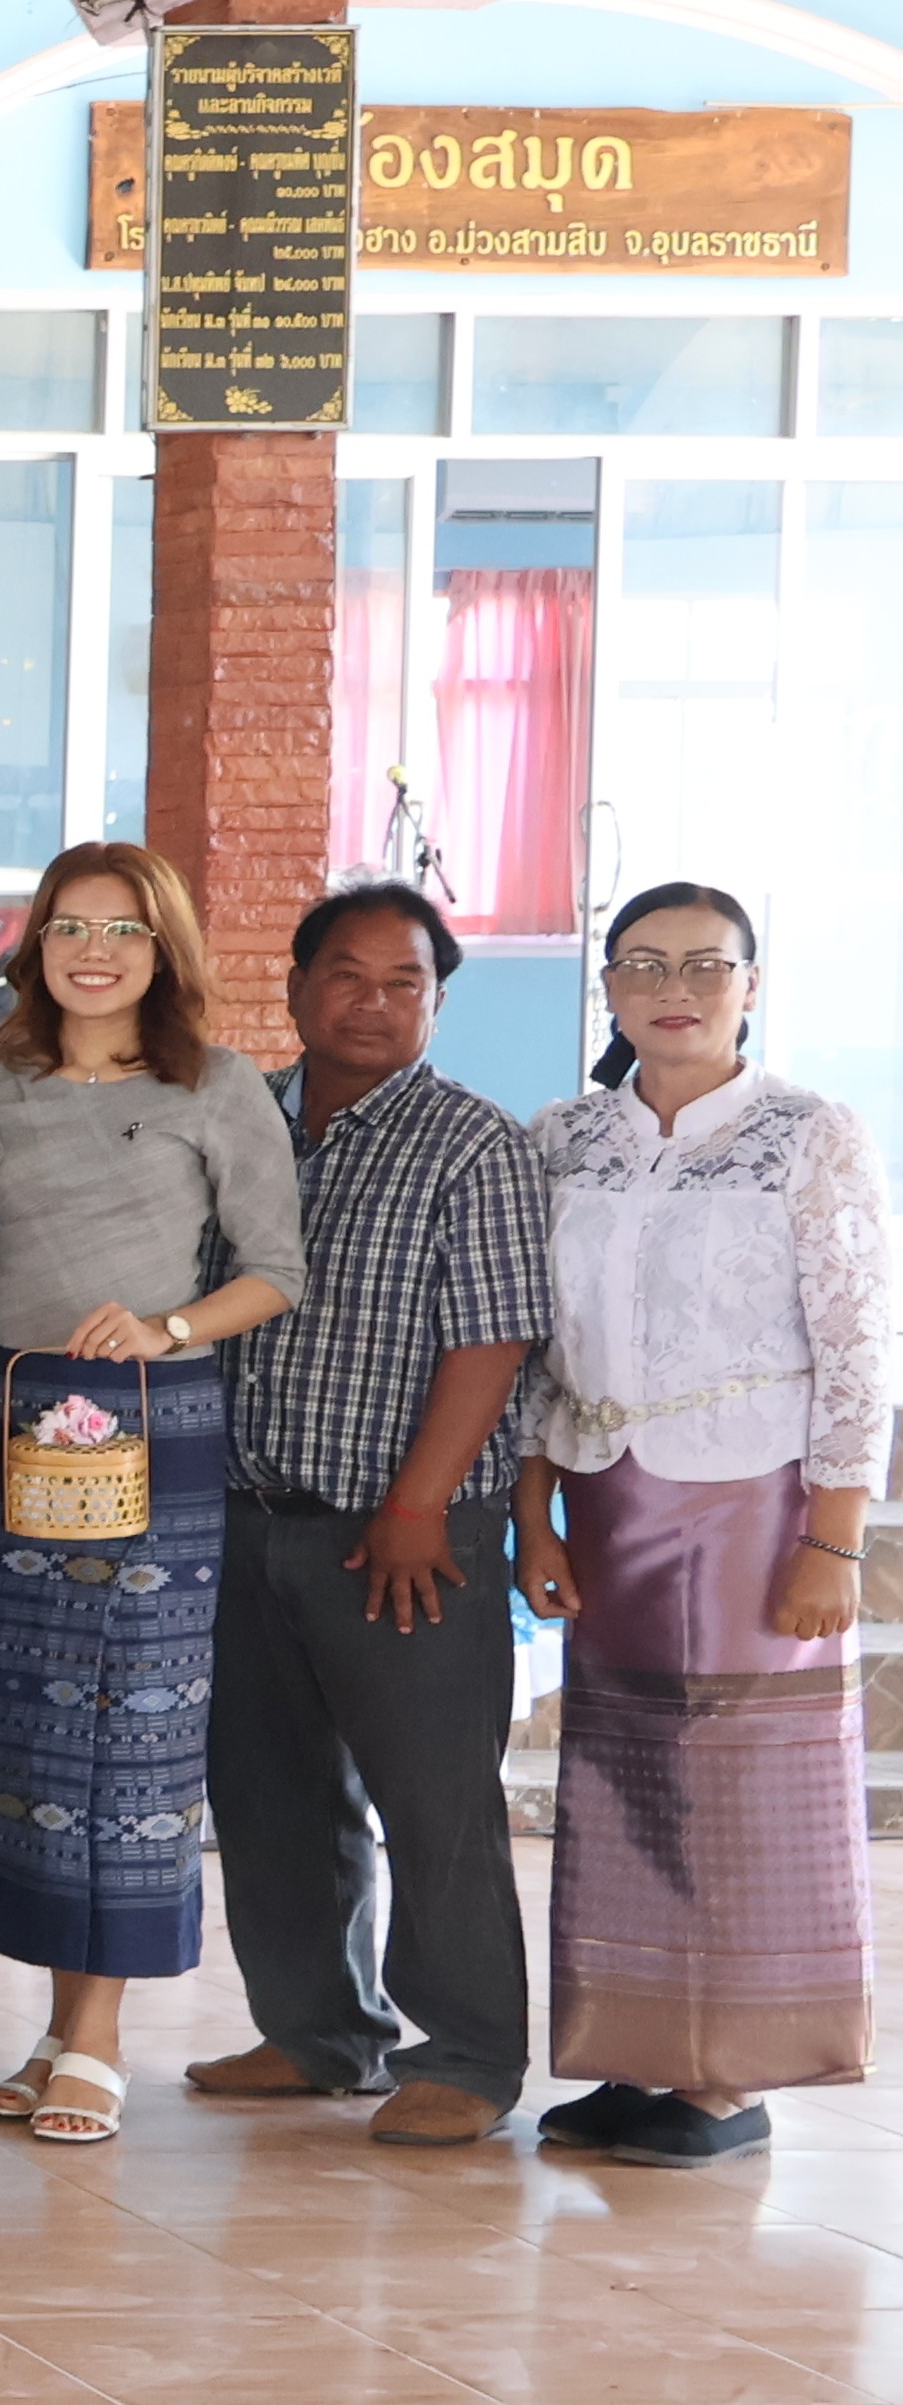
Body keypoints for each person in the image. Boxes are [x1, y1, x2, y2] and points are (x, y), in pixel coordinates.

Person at [514, 881, 890, 2170]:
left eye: (704, 964)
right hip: (606, 1490)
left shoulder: (807, 1135)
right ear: (609, 987)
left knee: (740, 1780)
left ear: (750, 984)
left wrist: (834, 1537)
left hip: (757, 1496)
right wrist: (532, 1515)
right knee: (624, 1775)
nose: (673, 988)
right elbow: (537, 1344)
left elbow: (859, 1345)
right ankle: (638, 2054)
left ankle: (730, 2082)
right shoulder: (564, 1137)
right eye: (643, 963)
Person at [0, 842, 304, 2146]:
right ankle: (52, 2027)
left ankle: (100, 2035)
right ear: (34, 944)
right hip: (1, 1423)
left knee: (128, 1730)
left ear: (165, 949)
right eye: (71, 927)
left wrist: (165, 1326)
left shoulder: (218, 1086)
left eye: (125, 930)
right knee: (22, 1735)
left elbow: (275, 1270)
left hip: (152, 1425)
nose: (96, 953)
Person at [194, 885, 551, 2151]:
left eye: (407, 983)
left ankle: (469, 2056)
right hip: (243, 1516)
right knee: (271, 1795)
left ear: (438, 1003)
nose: (374, 1002)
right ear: (296, 987)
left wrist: (417, 1506)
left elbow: (495, 1339)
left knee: (434, 1803)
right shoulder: (238, 1119)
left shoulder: (474, 1142)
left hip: (405, 1536)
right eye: (348, 975)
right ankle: (316, 2032)